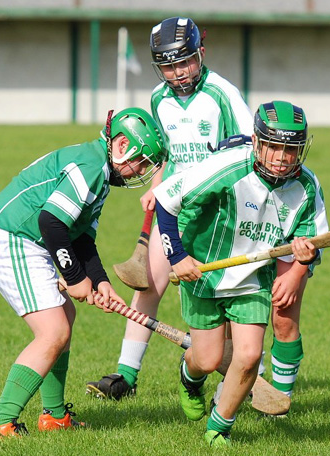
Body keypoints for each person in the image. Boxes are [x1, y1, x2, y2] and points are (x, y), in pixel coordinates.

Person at [86, 17, 254, 400]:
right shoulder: (158, 97)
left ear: (201, 54)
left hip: (219, 212)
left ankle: (235, 375)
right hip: (174, 208)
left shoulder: (222, 94)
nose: (177, 73)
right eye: (168, 65)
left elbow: (247, 146)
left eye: (185, 62)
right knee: (149, 283)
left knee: (224, 297)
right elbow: (164, 151)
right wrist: (159, 183)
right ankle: (125, 376)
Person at [0, 108, 165, 437]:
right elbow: (50, 223)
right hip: (10, 237)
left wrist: (100, 281)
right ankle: (0, 422)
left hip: (29, 239)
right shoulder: (91, 166)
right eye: (143, 161)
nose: (143, 171)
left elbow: (81, 238)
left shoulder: (100, 173)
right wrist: (77, 279)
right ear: (122, 145)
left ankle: (54, 416)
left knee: (66, 315)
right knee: (53, 331)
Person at [153, 100, 329, 446]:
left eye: (290, 149)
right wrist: (177, 257)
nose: (281, 157)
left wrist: (298, 268)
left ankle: (219, 428)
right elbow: (166, 200)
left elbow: (311, 238)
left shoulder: (306, 187)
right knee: (207, 358)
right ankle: (191, 378)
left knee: (248, 357)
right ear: (257, 142)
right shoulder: (227, 166)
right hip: (203, 271)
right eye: (273, 146)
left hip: (252, 279)